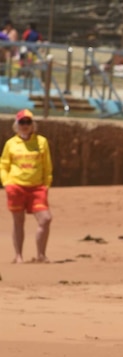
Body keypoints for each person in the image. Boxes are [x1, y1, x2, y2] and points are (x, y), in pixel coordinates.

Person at [1, 109, 54, 263]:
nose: (25, 125)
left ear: (33, 125)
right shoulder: (10, 144)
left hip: (37, 188)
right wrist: (7, 183)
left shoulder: (41, 142)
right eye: (22, 122)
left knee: (46, 219)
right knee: (19, 222)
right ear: (16, 125)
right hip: (16, 187)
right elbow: (3, 165)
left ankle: (41, 255)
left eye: (28, 122)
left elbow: (47, 166)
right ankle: (18, 256)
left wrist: (46, 185)